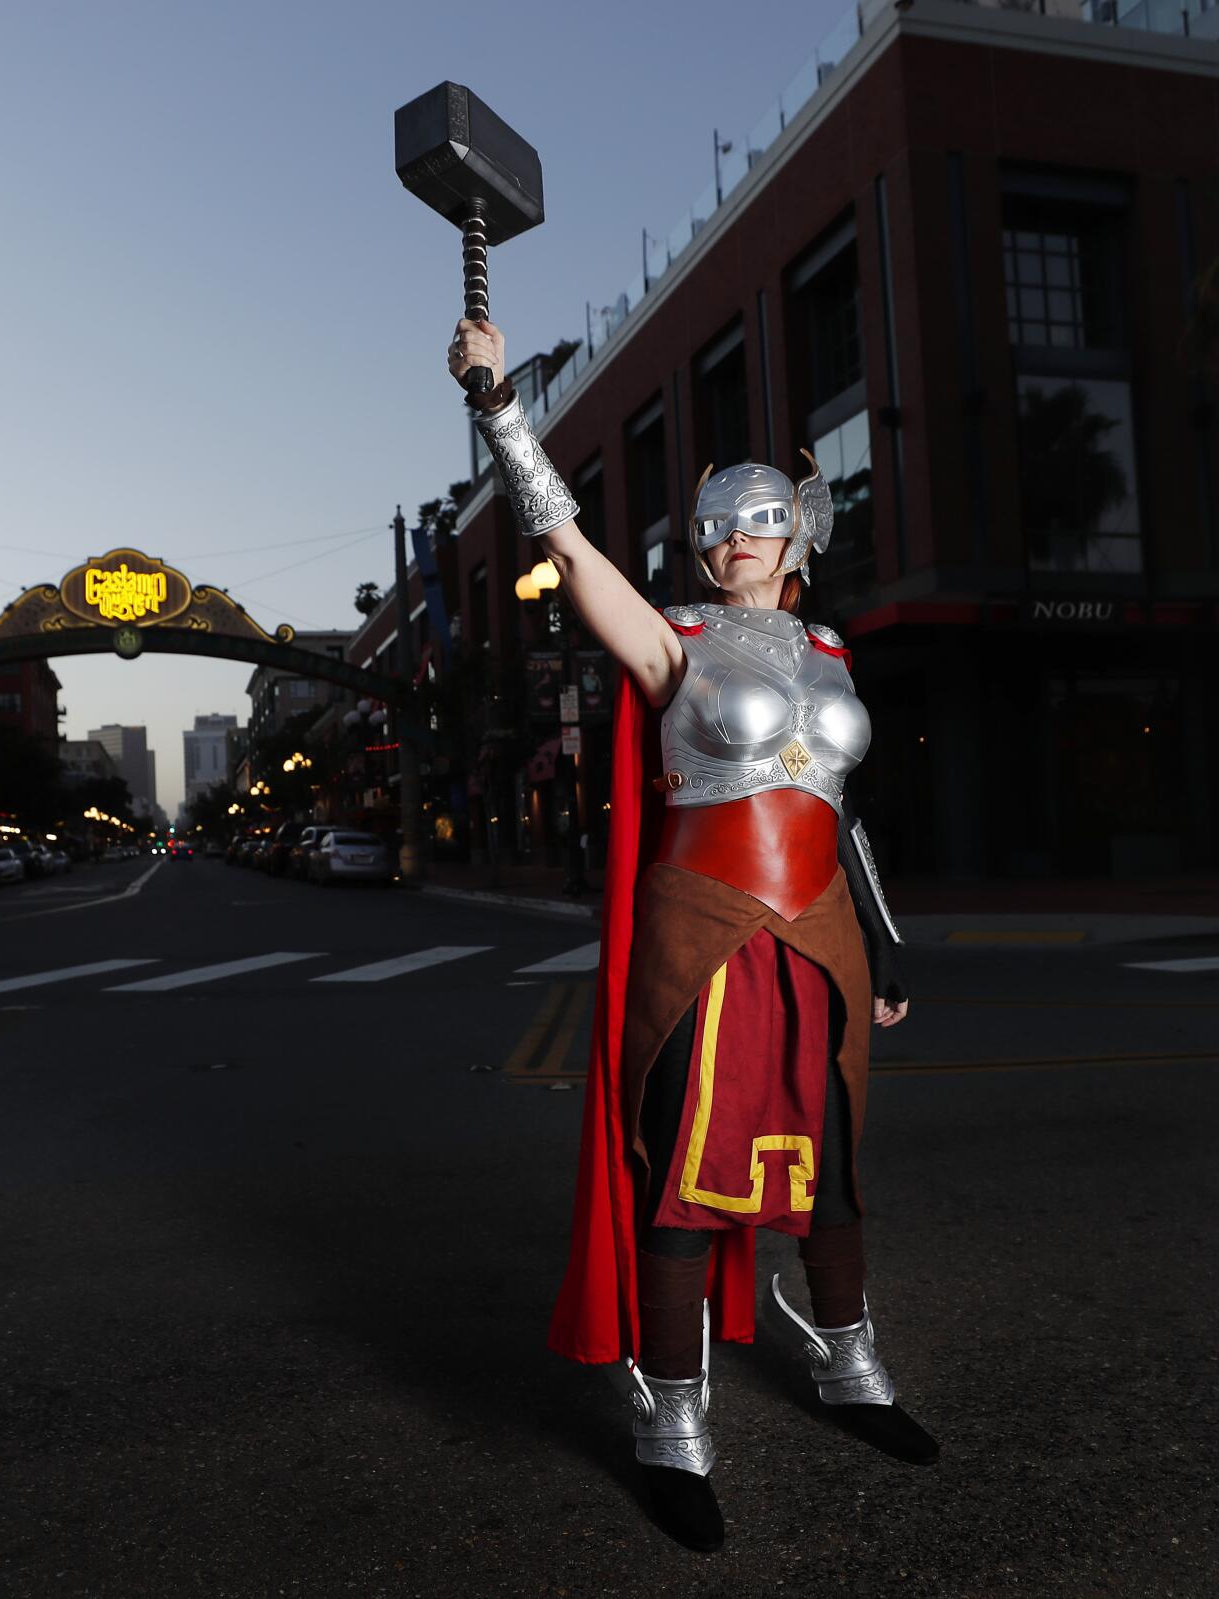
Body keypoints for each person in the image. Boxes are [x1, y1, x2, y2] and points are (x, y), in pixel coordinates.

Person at [448, 318, 934, 1553]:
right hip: (703, 928)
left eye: (754, 523)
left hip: (818, 924)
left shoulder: (829, 652)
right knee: (678, 1170)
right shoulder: (673, 639)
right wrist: (501, 408)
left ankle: (849, 1369)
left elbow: (843, 817)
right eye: (712, 529)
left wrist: (881, 944)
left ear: (796, 537)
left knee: (828, 1155)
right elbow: (565, 542)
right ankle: (670, 1427)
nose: (728, 543)